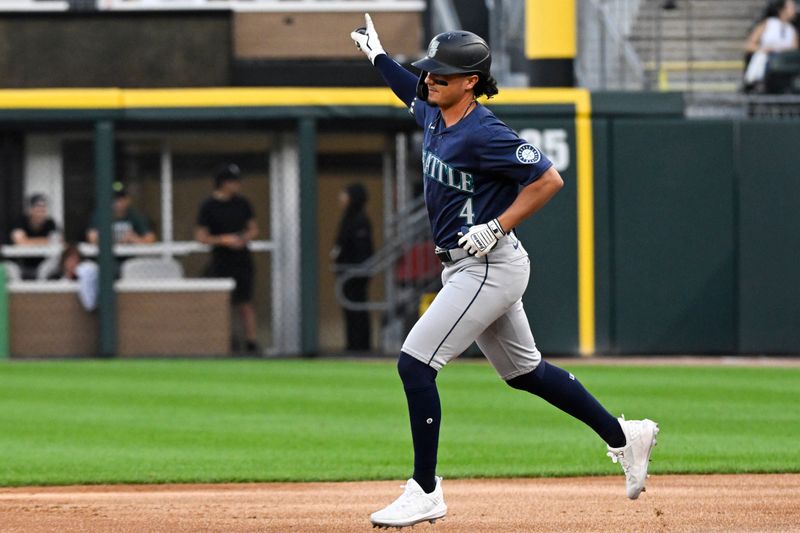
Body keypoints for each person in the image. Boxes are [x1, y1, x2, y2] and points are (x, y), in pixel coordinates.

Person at [350, 15, 659, 528]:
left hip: (488, 265)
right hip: (465, 267)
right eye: (429, 73)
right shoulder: (432, 112)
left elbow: (548, 178)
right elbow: (409, 86)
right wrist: (379, 57)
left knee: (415, 363)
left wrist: (495, 225)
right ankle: (626, 437)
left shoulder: (484, 131)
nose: (430, 80)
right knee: (525, 373)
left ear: (470, 81)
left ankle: (425, 490)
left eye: (441, 75)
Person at [195, 164, 260, 355]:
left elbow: (254, 228)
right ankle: (225, 340)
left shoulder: (242, 203)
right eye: (233, 182)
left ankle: (251, 342)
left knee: (245, 302)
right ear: (223, 183)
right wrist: (223, 240)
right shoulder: (209, 206)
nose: (237, 186)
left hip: (242, 258)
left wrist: (243, 239)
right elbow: (201, 236)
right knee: (223, 302)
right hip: (221, 259)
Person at [331, 183, 374, 352]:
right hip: (346, 273)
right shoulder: (348, 218)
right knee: (350, 310)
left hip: (356, 274)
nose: (341, 199)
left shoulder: (360, 219)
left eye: (345, 195)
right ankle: (352, 344)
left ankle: (360, 346)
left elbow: (363, 249)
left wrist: (357, 270)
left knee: (358, 309)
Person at [744, 0, 798, 90]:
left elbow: (794, 50)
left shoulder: (792, 30)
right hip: (766, 60)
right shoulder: (767, 24)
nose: (795, 10)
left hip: (783, 63)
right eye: (792, 7)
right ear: (782, 10)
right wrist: (764, 49)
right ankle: (756, 82)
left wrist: (778, 50)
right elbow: (749, 45)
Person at [86, 183, 157, 245]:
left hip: (130, 257)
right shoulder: (101, 214)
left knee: (136, 261)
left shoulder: (135, 215)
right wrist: (112, 240)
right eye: (114, 199)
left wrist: (134, 239)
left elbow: (151, 238)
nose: (118, 202)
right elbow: (92, 237)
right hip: (106, 257)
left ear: (128, 200)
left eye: (121, 198)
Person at [10, 193, 60, 279]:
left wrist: (29, 241)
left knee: (50, 265)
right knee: (12, 269)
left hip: (43, 265)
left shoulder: (50, 223)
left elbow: (56, 241)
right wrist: (44, 241)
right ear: (31, 209)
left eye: (43, 208)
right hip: (22, 264)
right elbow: (20, 242)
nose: (41, 211)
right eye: (38, 208)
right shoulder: (21, 221)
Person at [47, 244, 99, 312]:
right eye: (69, 260)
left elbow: (90, 303)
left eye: (75, 260)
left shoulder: (84, 278)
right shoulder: (55, 278)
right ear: (64, 262)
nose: (72, 263)